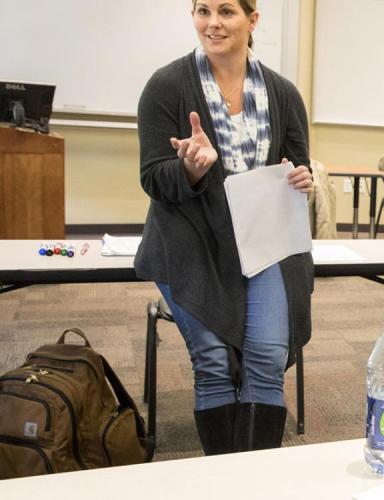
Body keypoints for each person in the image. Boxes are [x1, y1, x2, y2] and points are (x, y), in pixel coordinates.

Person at [135, 0, 314, 455]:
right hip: (190, 240)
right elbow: (153, 176)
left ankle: (253, 479)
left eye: (227, 11)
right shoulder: (166, 85)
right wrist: (191, 171)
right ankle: (224, 476)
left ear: (252, 20)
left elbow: (298, 163)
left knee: (267, 358)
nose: (212, 23)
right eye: (203, 10)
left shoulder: (283, 92)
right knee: (213, 360)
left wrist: (302, 177)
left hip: (265, 240)